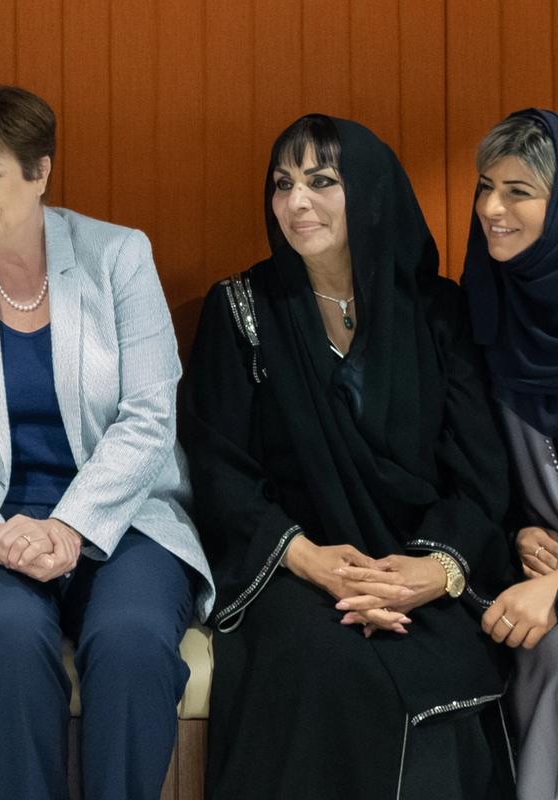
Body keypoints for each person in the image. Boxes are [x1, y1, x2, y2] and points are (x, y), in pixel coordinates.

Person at [0, 82, 213, 800]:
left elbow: (148, 416)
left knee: (132, 641)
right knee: (8, 637)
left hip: (123, 517)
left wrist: (70, 525)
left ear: (40, 172)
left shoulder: (118, 256)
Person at [184, 113, 516, 799]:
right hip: (295, 566)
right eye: (283, 184)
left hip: (414, 560)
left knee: (447, 666)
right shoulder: (242, 310)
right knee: (327, 663)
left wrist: (434, 571)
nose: (296, 202)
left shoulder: (437, 312)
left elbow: (479, 470)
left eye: (321, 181)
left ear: (368, 191)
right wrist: (311, 560)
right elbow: (219, 470)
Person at [463, 108, 558, 800]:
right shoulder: (479, 313)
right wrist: (513, 531)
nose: (492, 209)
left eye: (518, 192)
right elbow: (464, 470)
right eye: (485, 187)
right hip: (520, 571)